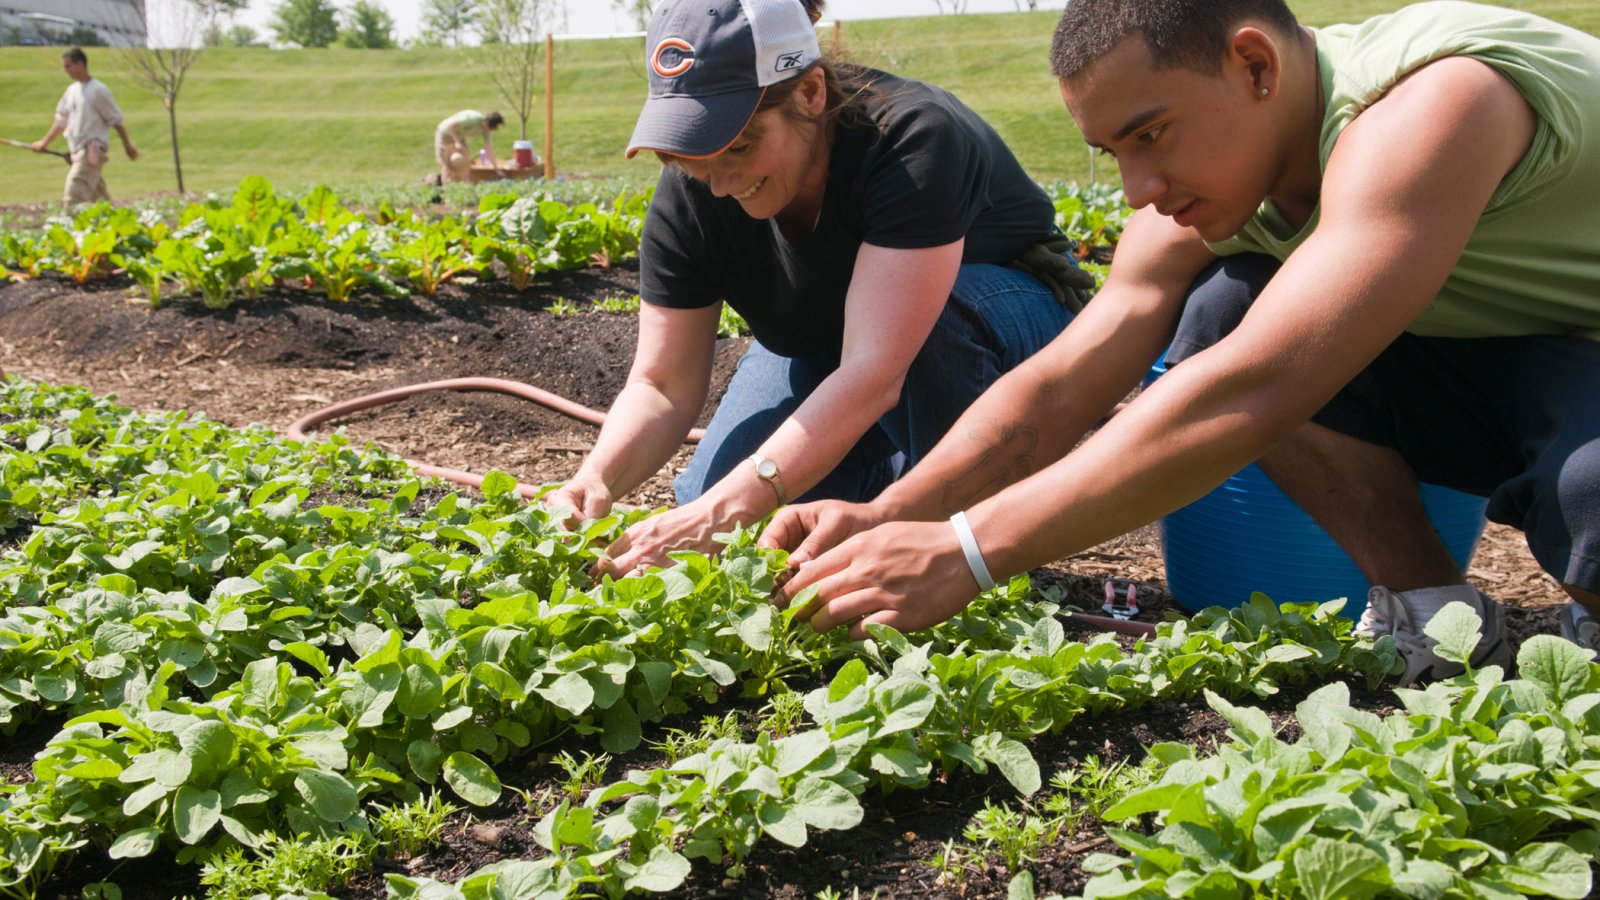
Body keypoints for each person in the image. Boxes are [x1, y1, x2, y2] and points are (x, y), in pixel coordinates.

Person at [761, 0, 1600, 685]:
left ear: (1256, 66)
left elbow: (1257, 387)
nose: (1138, 190)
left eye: (1151, 134)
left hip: (1575, 361)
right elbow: (1061, 385)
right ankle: (1440, 620)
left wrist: (974, 552)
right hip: (1511, 358)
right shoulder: (1225, 178)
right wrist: (892, 513)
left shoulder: (1436, 101)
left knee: (1586, 484)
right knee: (1226, 313)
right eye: (1113, 153)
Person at [544, 0, 1090, 575]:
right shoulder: (693, 195)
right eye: (691, 151)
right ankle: (873, 477)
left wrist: (724, 510)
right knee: (731, 536)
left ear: (809, 93)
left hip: (1003, 317)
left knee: (744, 505)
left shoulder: (910, 139)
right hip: (843, 354)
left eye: (740, 144)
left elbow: (875, 371)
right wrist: (596, 479)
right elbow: (661, 384)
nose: (720, 183)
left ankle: (976, 530)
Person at [32, 47, 138, 207]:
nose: (66, 70)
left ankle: (67, 226)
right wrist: (43, 143)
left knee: (75, 190)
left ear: (80, 63)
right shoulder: (72, 91)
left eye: (68, 66)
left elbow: (117, 122)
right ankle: (115, 223)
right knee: (99, 198)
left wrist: (128, 147)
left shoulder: (98, 90)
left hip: (91, 149)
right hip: (77, 149)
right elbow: (61, 122)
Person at [435, 109, 504, 183]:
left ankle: (465, 185)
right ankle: (445, 186)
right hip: (445, 132)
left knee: (465, 159)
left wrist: (497, 169)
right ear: (486, 121)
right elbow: (451, 126)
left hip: (459, 135)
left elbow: (489, 150)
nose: (488, 130)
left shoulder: (486, 130)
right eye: (489, 127)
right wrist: (457, 142)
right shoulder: (471, 119)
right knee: (447, 161)